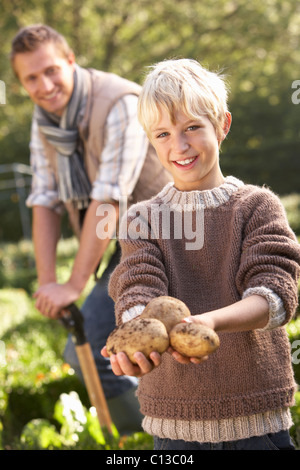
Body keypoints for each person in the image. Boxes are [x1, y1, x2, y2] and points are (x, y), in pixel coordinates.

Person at [102, 58, 300, 450]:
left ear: (223, 125)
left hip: (255, 420)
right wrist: (135, 339)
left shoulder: (257, 206)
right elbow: (136, 288)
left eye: (192, 127)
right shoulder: (141, 219)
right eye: (162, 134)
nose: (179, 145)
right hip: (174, 427)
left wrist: (205, 322)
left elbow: (275, 295)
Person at [10, 24, 171, 435]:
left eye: (50, 70)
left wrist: (75, 283)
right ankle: (145, 436)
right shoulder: (45, 118)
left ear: (70, 61)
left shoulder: (120, 103)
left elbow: (108, 199)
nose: (44, 85)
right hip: (125, 238)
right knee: (90, 347)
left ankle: (160, 438)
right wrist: (49, 283)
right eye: (31, 78)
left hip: (170, 233)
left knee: (102, 345)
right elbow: (44, 197)